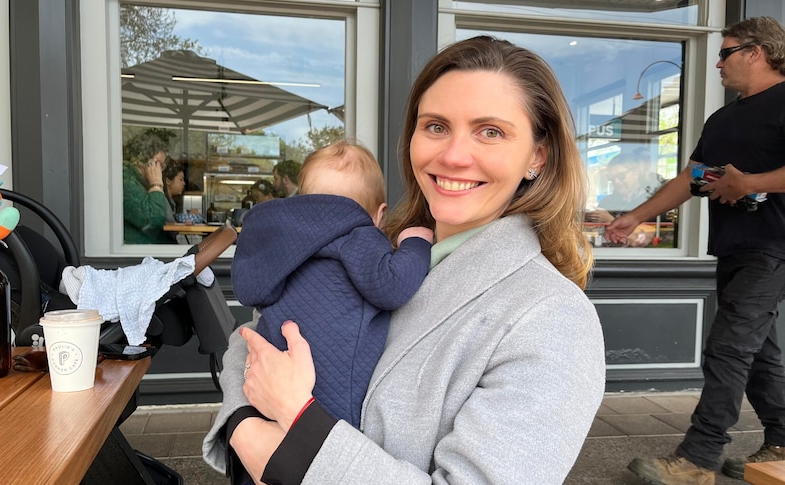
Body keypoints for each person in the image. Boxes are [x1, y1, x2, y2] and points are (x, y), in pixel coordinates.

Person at [203, 36, 605, 484]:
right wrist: (241, 424)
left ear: (537, 156)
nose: (452, 156)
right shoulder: (375, 246)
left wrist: (296, 429)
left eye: (490, 131)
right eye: (435, 126)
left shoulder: (553, 318)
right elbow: (257, 334)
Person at [605, 17, 785, 484]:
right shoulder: (722, 119)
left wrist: (752, 183)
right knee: (758, 351)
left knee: (727, 348)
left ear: (756, 52)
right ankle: (782, 443)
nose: (718, 63)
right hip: (733, 248)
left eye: (725, 53)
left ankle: (699, 459)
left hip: (775, 247)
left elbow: (752, 181)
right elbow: (692, 179)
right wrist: (637, 215)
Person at [231, 139, 432, 435]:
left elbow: (254, 294)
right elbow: (392, 286)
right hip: (336, 402)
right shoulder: (359, 235)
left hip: (269, 383)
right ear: (380, 215)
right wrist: (416, 243)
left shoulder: (280, 245)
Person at [122, 132, 174, 244]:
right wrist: (156, 184)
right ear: (141, 160)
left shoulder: (139, 182)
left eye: (162, 165)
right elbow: (153, 220)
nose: (160, 169)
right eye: (157, 163)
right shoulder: (126, 180)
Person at [586, 151, 665, 224]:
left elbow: (646, 235)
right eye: (611, 177)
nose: (616, 181)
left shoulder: (649, 202)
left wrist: (611, 220)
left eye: (621, 176)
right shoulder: (607, 202)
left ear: (636, 172)